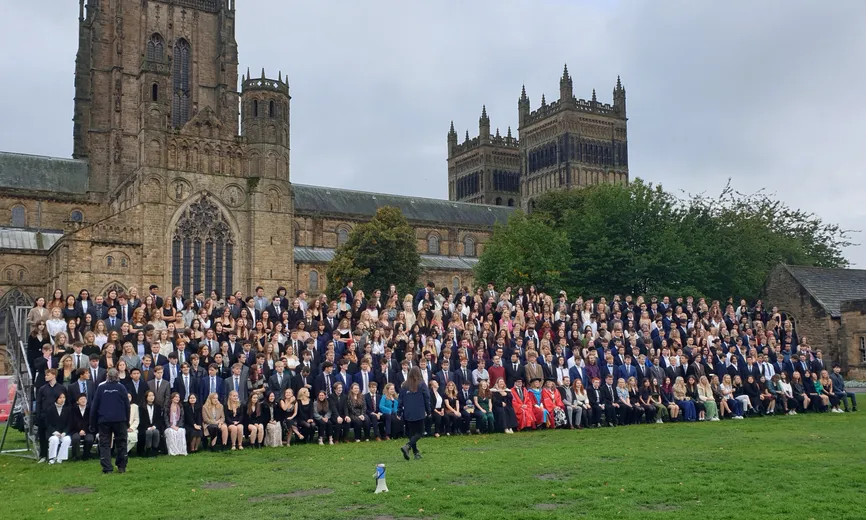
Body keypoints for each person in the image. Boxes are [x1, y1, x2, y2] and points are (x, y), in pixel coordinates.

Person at [90, 368, 131, 473]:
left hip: (104, 420)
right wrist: (127, 421)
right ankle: (121, 466)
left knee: (104, 444)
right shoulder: (121, 388)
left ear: (107, 376)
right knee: (122, 443)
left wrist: (92, 423)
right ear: (118, 376)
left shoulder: (101, 388)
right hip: (120, 419)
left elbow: (94, 406)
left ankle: (107, 468)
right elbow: (127, 406)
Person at [398, 366, 430, 460]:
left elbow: (400, 399)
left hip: (408, 412)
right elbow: (427, 397)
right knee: (420, 432)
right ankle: (408, 446)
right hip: (419, 412)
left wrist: (399, 412)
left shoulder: (405, 385)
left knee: (412, 434)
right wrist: (428, 411)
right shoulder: (421, 384)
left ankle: (415, 452)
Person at [45, 392, 71, 464]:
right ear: (56, 399)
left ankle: (60, 458)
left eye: (64, 397)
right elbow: (47, 424)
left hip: (63, 433)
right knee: (54, 439)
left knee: (67, 439)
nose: (62, 399)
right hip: (52, 433)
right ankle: (52, 458)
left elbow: (69, 424)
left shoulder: (67, 409)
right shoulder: (50, 409)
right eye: (60, 398)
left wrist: (64, 432)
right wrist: (54, 432)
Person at [69, 393, 94, 460]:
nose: (83, 400)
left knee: (89, 439)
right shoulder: (73, 410)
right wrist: (79, 430)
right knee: (75, 438)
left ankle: (86, 455)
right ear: (77, 401)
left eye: (84, 399)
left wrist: (84, 430)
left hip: (88, 430)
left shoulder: (90, 410)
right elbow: (72, 422)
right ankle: (76, 456)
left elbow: (91, 422)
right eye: (81, 399)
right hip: (75, 430)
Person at [139, 390, 163, 457]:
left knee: (156, 432)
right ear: (146, 397)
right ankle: (148, 449)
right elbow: (141, 419)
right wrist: (148, 427)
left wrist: (154, 426)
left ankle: (155, 449)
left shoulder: (158, 406)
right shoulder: (141, 407)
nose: (151, 397)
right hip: (145, 427)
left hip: (155, 426)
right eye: (149, 396)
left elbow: (159, 419)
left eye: (152, 395)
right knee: (149, 432)